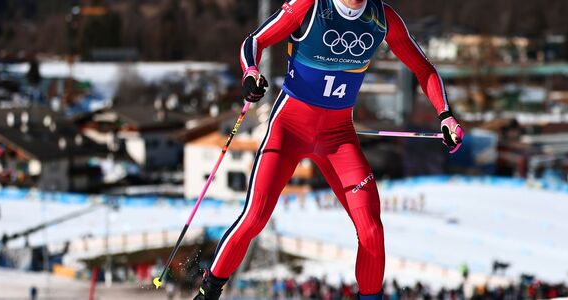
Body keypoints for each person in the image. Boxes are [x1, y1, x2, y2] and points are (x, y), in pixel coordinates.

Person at [194, 0, 464, 299]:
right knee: (255, 217)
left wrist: (445, 115)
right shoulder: (309, 6)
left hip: (338, 138)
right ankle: (209, 291)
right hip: (289, 130)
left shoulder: (382, 17)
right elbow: (256, 40)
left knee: (372, 231)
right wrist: (250, 72)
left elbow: (422, 67)